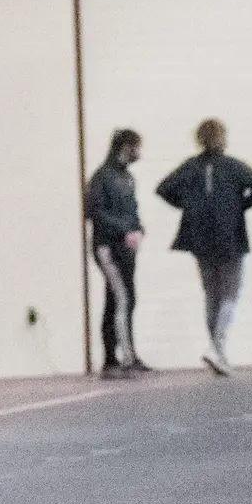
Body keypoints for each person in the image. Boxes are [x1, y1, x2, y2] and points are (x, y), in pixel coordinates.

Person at [154, 120, 252, 375]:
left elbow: (163, 188)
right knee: (230, 291)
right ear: (222, 138)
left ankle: (218, 351)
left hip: (200, 237)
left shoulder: (191, 167)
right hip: (229, 235)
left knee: (211, 293)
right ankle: (217, 347)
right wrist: (242, 204)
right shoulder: (233, 166)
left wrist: (190, 206)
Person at [85, 128, 149, 376]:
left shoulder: (128, 178)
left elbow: (132, 210)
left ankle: (115, 357)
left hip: (125, 247)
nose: (139, 153)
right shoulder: (102, 177)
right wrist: (124, 231)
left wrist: (138, 230)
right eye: (136, 147)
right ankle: (123, 357)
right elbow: (94, 212)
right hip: (107, 247)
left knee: (117, 299)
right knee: (124, 298)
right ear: (124, 147)